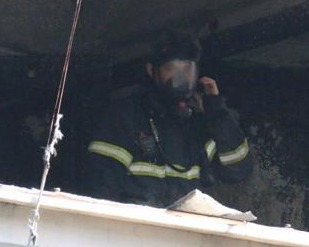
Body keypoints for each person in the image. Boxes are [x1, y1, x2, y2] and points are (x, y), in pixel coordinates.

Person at [85, 31, 252, 207]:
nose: (181, 78)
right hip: (136, 228)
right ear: (152, 70)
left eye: (187, 69)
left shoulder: (199, 123)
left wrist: (217, 113)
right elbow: (100, 185)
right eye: (171, 69)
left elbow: (238, 171)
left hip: (184, 229)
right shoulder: (127, 115)